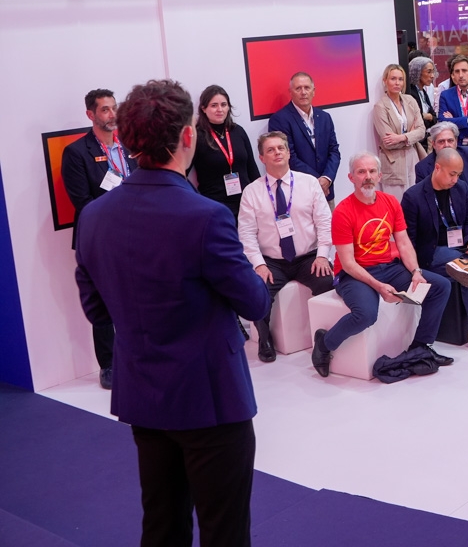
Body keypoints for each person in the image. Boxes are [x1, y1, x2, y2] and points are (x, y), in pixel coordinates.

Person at [75, 79, 270, 545]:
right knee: (225, 532)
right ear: (187, 135)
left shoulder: (94, 217)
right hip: (211, 401)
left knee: (161, 525)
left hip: (143, 395)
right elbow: (254, 302)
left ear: (127, 138)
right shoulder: (205, 216)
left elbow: (96, 310)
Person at [310, 153, 452, 377]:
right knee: (366, 314)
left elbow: (403, 242)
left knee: (440, 286)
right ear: (351, 177)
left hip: (388, 267)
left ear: (380, 175)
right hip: (353, 274)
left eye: (372, 171)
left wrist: (415, 272)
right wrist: (379, 286)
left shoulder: (391, 202)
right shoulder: (343, 211)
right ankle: (325, 343)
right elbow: (348, 263)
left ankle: (420, 347)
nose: (367, 176)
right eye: (361, 172)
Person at [237, 132, 335, 363]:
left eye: (281, 148)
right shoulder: (252, 191)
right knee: (257, 290)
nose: (277, 153)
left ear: (289, 153)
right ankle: (265, 338)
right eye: (270, 150)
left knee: (326, 281)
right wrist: (259, 265)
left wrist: (323, 256)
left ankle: (324, 340)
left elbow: (325, 223)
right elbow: (246, 234)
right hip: (271, 261)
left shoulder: (309, 183)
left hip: (308, 257)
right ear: (262, 158)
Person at [401, 149, 468, 349]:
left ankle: (466, 263)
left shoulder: (461, 188)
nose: (455, 179)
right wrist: (415, 269)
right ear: (437, 168)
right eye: (452, 174)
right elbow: (409, 240)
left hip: (460, 246)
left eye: (458, 174)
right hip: (433, 251)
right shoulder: (413, 196)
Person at [62, 88, 133, 389]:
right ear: (90, 114)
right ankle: (109, 365)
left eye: (114, 107)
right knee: (105, 301)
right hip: (100, 238)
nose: (112, 114)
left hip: (136, 234)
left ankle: (140, 356)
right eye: (105, 109)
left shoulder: (129, 146)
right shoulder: (77, 152)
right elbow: (84, 203)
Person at [267, 71, 341, 204]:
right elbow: (288, 156)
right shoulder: (279, 120)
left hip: (326, 191)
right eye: (298, 88)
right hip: (298, 193)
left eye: (307, 88)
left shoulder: (324, 117)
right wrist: (316, 182)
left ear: (314, 91)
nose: (303, 92)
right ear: (290, 92)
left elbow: (334, 151)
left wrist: (327, 178)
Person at [190, 84, 260, 220]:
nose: (220, 110)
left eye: (223, 105)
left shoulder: (238, 131)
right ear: (203, 108)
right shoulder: (198, 136)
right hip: (215, 207)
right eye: (214, 105)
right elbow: (182, 173)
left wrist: (260, 197)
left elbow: (252, 168)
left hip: (246, 203)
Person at [372, 64, 426, 199]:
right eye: (393, 79)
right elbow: (388, 142)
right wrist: (411, 135)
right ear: (385, 81)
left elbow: (421, 131)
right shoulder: (380, 107)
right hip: (393, 162)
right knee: (396, 203)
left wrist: (401, 137)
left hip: (413, 156)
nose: (397, 83)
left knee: (416, 200)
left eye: (400, 79)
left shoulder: (410, 100)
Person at [408, 56, 440, 133]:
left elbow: (434, 117)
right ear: (417, 72)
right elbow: (417, 119)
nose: (432, 76)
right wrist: (428, 117)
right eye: (429, 72)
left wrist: (429, 116)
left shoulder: (423, 92)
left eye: (433, 72)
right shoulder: (410, 92)